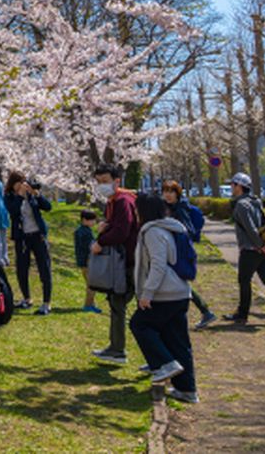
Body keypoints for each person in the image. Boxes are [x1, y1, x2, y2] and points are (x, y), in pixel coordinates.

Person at [129, 194, 199, 404]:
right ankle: (187, 390)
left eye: (136, 208)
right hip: (180, 292)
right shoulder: (172, 227)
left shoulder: (153, 232)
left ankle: (163, 363)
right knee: (178, 341)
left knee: (139, 325)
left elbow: (158, 265)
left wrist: (147, 293)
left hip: (164, 294)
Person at [223, 173, 265, 325]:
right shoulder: (256, 201)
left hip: (251, 248)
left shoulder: (241, 205)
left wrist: (260, 246)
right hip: (263, 246)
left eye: (232, 185)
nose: (231, 188)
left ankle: (242, 314)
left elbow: (250, 229)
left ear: (239, 186)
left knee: (244, 280)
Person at [91, 164, 139, 365]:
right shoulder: (113, 201)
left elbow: (122, 231)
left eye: (105, 181)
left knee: (120, 304)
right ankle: (116, 348)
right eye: (99, 182)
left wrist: (100, 241)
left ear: (116, 181)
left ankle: (118, 349)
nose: (102, 186)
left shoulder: (122, 201)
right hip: (124, 262)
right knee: (117, 303)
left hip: (129, 262)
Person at [160, 181, 216, 330]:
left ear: (177, 193)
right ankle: (205, 312)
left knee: (180, 282)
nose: (168, 194)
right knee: (179, 281)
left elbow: (188, 230)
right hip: (172, 250)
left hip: (180, 252)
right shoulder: (168, 207)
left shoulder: (180, 209)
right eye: (165, 191)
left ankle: (204, 311)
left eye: (171, 191)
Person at [5, 173, 53, 315]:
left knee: (44, 267)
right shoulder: (9, 197)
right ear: (13, 184)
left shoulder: (32, 195)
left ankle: (46, 303)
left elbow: (48, 207)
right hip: (22, 237)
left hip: (38, 236)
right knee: (22, 268)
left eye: (24, 182)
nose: (23, 185)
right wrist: (20, 196)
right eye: (19, 182)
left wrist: (36, 194)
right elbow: (13, 212)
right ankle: (27, 299)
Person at [74, 209, 101, 313]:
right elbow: (90, 247)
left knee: (90, 284)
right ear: (84, 220)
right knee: (92, 285)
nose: (94, 222)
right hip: (87, 262)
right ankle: (88, 305)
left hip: (83, 261)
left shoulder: (82, 230)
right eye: (92, 220)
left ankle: (91, 304)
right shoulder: (85, 232)